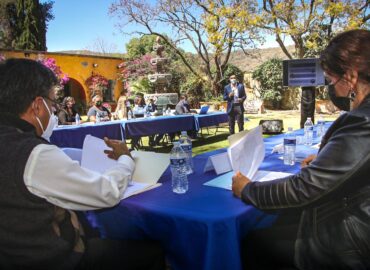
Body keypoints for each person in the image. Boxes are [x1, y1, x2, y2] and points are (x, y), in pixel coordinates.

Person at [0, 58, 165, 270]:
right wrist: (125, 159)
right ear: (37, 105)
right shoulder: (34, 154)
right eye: (53, 104)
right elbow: (106, 193)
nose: (53, 112)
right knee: (151, 253)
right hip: (51, 259)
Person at [232, 29, 370, 270]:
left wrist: (247, 190)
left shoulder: (363, 121)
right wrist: (329, 160)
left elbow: (304, 189)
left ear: (350, 78)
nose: (331, 88)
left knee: (253, 242)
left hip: (349, 243)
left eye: (330, 80)